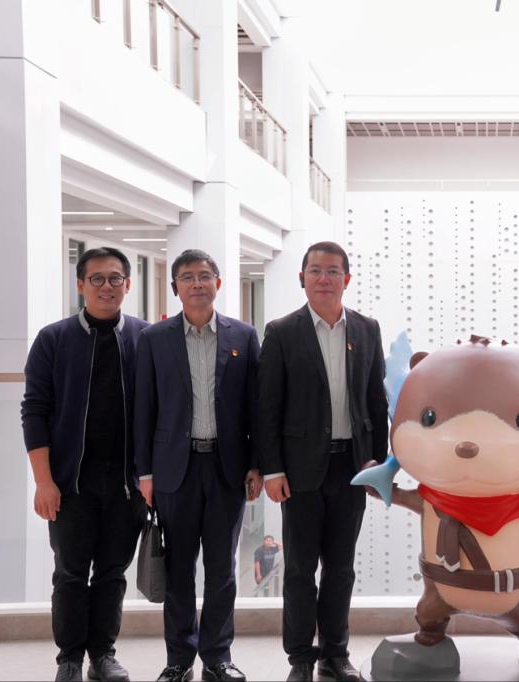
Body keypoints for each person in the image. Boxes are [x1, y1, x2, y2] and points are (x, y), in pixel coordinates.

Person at [257, 241, 388, 682]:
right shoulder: (281, 331)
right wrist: (273, 469)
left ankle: (335, 654)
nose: (324, 278)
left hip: (351, 468)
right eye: (315, 271)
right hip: (298, 471)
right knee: (299, 569)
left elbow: (376, 402)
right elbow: (267, 406)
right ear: (302, 278)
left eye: (333, 271)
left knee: (341, 568)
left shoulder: (367, 329)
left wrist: (378, 464)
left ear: (346, 279)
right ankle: (300, 658)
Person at [134, 249, 262, 682]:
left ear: (218, 283)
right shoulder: (154, 338)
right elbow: (144, 409)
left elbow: (255, 407)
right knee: (178, 570)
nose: (196, 284)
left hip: (227, 468)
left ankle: (217, 657)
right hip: (175, 469)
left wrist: (256, 464)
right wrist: (145, 473)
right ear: (175, 287)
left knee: (222, 570)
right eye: (187, 277)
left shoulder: (244, 336)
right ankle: (179, 659)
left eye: (204, 276)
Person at [21, 247, 149, 682]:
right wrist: (44, 482)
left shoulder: (145, 338)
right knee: (70, 574)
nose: (106, 286)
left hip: (127, 483)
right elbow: (34, 411)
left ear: (127, 284)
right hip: (70, 482)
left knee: (112, 573)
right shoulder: (53, 339)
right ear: (80, 284)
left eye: (115, 279)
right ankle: (70, 659)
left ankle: (103, 656)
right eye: (97, 279)